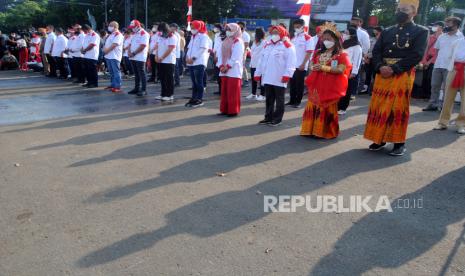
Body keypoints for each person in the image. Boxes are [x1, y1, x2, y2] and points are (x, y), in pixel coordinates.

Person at [363, 0, 428, 156]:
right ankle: (379, 139)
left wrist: (394, 69)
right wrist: (379, 67)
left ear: (413, 12)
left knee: (397, 108)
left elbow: (417, 55)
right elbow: (377, 50)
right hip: (382, 73)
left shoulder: (421, 31)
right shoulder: (387, 31)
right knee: (379, 107)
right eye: (398, 8)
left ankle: (399, 143)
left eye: (404, 9)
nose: (400, 11)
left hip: (402, 74)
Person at [300, 24, 352, 139]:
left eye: (329, 39)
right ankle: (310, 130)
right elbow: (312, 65)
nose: (325, 41)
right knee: (313, 104)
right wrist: (313, 68)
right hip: (317, 84)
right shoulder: (318, 52)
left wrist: (324, 68)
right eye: (324, 39)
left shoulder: (342, 54)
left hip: (330, 86)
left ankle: (324, 131)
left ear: (336, 40)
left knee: (326, 106)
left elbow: (341, 70)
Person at [254, 25, 296, 126]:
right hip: (267, 77)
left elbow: (291, 62)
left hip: (279, 78)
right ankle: (268, 117)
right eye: (273, 33)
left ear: (282, 33)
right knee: (269, 99)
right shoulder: (267, 45)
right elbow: (261, 61)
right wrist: (257, 73)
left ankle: (277, 119)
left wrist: (288, 74)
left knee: (279, 99)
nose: (274, 35)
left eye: (277, 33)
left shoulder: (288, 46)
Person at [423, 17, 463, 112]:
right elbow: (436, 50)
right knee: (434, 85)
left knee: (447, 88)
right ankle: (433, 104)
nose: (446, 25)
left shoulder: (461, 37)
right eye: (446, 23)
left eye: (449, 23)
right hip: (438, 65)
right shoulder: (442, 36)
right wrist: (435, 62)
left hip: (451, 67)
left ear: (456, 25)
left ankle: (445, 107)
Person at [434, 36, 465, 134]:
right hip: (454, 70)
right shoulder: (457, 42)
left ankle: (461, 124)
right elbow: (449, 56)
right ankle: (443, 122)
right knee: (448, 97)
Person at [217, 23, 245, 117]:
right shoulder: (225, 40)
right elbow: (220, 54)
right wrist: (221, 65)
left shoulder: (238, 42)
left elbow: (236, 57)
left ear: (235, 30)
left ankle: (233, 111)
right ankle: (224, 109)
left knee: (232, 92)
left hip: (233, 70)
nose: (228, 31)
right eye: (227, 29)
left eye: (230, 29)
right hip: (224, 70)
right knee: (224, 91)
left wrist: (227, 67)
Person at [288, 19, 315, 108]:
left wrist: (303, 64)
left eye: (298, 27)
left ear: (303, 27)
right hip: (292, 65)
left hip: (301, 65)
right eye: (295, 27)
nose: (296, 28)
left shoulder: (308, 38)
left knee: (299, 84)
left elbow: (309, 52)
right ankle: (291, 100)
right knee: (292, 84)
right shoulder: (293, 38)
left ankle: (297, 101)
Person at [185, 20, 210, 107]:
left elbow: (203, 49)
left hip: (199, 62)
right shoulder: (193, 36)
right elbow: (189, 48)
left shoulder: (204, 36)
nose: (192, 29)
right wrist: (187, 57)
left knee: (199, 82)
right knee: (193, 82)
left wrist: (193, 58)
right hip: (191, 63)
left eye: (194, 28)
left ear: (199, 27)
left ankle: (199, 99)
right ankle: (194, 97)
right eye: (191, 28)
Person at [338, 27, 363, 114]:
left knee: (347, 90)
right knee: (339, 88)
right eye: (344, 32)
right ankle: (337, 106)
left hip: (350, 70)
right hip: (341, 68)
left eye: (347, 33)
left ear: (352, 35)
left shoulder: (357, 46)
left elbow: (357, 60)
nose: (344, 34)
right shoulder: (344, 44)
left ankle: (343, 108)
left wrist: (354, 72)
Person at [416, 22, 443, 99]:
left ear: (440, 27)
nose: (434, 27)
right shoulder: (431, 36)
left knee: (430, 78)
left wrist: (429, 62)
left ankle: (429, 95)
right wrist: (424, 60)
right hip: (426, 59)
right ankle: (423, 94)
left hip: (435, 61)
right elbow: (426, 48)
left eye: (436, 26)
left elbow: (438, 52)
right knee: (424, 78)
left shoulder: (443, 37)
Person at [154, 22, 177, 101]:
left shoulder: (172, 37)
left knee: (169, 78)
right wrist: (156, 56)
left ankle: (170, 94)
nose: (160, 32)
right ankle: (163, 93)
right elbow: (157, 47)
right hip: (160, 60)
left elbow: (170, 49)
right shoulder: (160, 36)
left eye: (161, 30)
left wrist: (162, 57)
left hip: (169, 61)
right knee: (162, 78)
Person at [127, 20, 150, 97]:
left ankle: (144, 89)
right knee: (136, 73)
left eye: (133, 27)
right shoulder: (134, 33)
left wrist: (133, 53)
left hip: (140, 57)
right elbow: (130, 44)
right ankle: (136, 88)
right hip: (133, 57)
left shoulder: (144, 34)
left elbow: (143, 46)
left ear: (138, 26)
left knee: (142, 73)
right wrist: (129, 52)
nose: (132, 29)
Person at [103, 21, 124, 93]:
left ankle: (117, 86)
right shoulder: (111, 34)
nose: (109, 27)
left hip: (114, 56)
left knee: (116, 72)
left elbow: (114, 44)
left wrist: (107, 51)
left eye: (110, 25)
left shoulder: (118, 34)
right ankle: (113, 84)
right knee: (111, 72)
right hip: (109, 56)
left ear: (115, 27)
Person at [248, 27, 266, 101]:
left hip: (260, 64)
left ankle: (262, 95)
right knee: (253, 79)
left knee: (262, 80)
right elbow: (252, 51)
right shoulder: (254, 42)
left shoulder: (264, 42)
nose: (254, 33)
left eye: (255, 32)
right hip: (253, 63)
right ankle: (253, 93)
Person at [212, 23, 225, 95]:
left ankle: (222, 90)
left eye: (215, 27)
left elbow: (219, 47)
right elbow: (215, 47)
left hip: (220, 56)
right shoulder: (216, 35)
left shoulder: (222, 35)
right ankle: (220, 90)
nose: (214, 29)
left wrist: (216, 55)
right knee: (218, 75)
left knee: (220, 75)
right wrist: (214, 54)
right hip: (216, 55)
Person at [237, 21, 251, 87]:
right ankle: (239, 79)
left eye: (241, 27)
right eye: (238, 26)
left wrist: (243, 54)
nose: (239, 28)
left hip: (243, 52)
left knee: (242, 66)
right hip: (236, 52)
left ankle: (246, 80)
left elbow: (246, 45)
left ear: (244, 27)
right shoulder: (236, 33)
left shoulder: (246, 35)